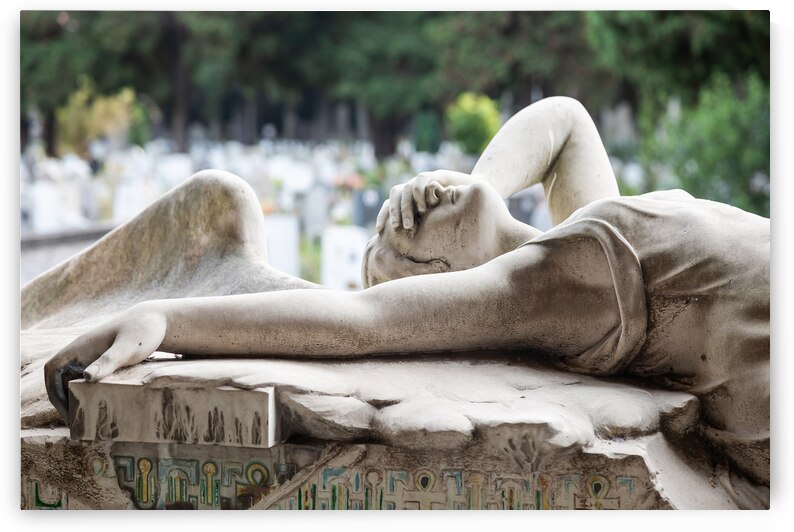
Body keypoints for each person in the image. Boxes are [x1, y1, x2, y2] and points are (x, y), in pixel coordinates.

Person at [43, 97, 769, 504]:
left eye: (398, 211)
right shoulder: (560, 285)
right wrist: (166, 318)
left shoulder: (587, 237)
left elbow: (566, 122)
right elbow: (364, 324)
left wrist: (477, 182)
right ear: (451, 288)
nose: (403, 206)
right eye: (397, 240)